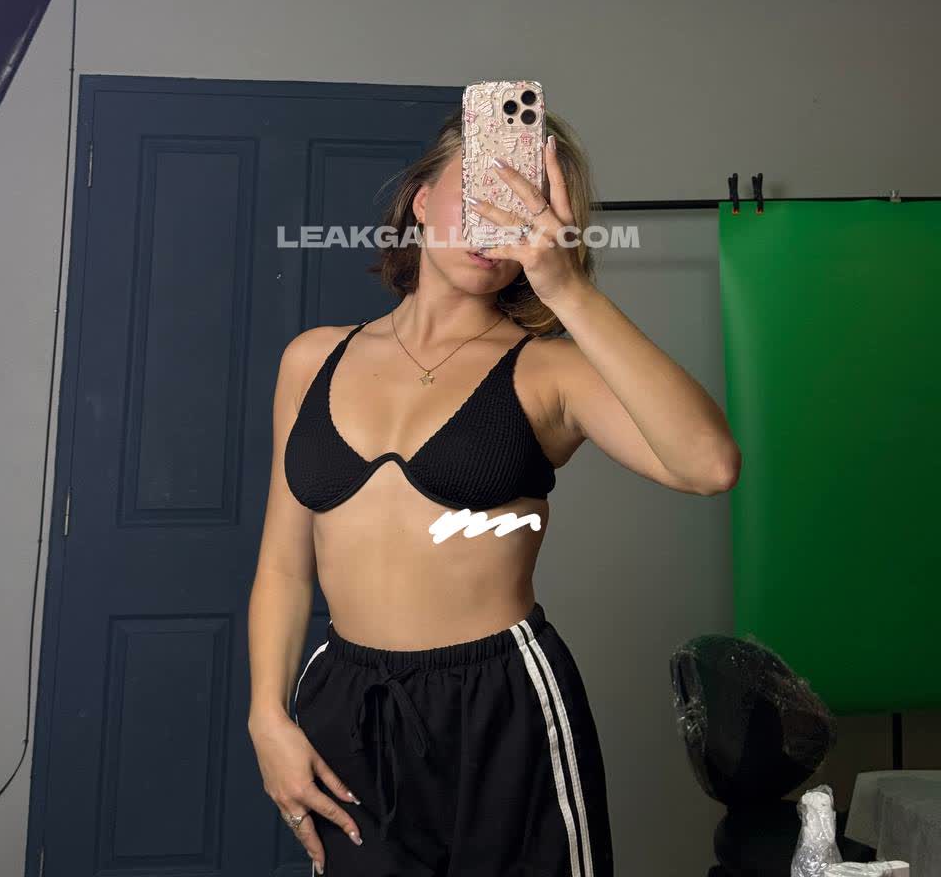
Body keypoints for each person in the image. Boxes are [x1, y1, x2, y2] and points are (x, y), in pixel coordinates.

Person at [247, 105, 741, 876]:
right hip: (347, 703)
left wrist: (568, 290)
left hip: (502, 704)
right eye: (481, 193)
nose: (496, 224)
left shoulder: (550, 369)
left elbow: (708, 465)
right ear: (421, 200)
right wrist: (266, 717)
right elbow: (283, 565)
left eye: (525, 207)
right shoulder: (312, 359)